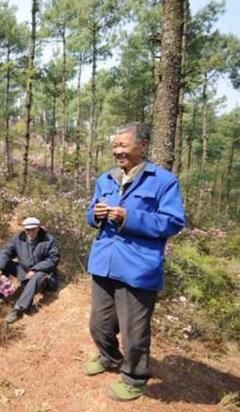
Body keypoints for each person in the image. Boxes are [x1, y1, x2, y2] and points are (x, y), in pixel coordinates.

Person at [82, 123, 186, 401]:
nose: (118, 151)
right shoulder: (106, 178)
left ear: (141, 146)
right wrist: (97, 215)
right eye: (115, 146)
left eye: (123, 145)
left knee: (134, 331)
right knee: (99, 324)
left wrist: (128, 217)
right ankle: (109, 357)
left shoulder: (163, 180)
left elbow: (173, 222)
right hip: (104, 261)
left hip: (138, 268)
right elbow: (90, 214)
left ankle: (135, 377)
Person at [0, 217, 60, 324]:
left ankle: (18, 308)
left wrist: (35, 269)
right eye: (27, 229)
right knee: (4, 264)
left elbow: (53, 259)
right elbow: (5, 252)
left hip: (43, 274)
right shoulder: (18, 238)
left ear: (38, 228)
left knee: (38, 275)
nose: (29, 232)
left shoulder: (49, 240)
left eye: (33, 229)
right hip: (25, 271)